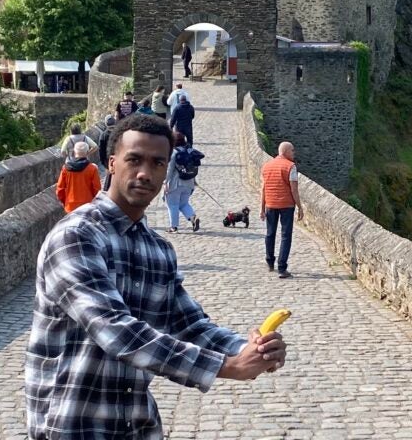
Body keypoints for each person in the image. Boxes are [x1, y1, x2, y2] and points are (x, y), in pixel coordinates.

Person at [26, 114, 287, 439]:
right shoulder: (77, 237)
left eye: (157, 163)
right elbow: (114, 330)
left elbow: (189, 325)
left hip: (136, 424)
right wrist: (227, 366)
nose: (144, 173)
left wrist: (251, 348)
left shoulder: (158, 249)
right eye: (134, 160)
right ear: (111, 163)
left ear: (166, 171)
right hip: (73, 425)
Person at [260, 140, 304, 279]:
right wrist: (300, 207)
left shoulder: (267, 166)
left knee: (270, 233)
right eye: (292, 150)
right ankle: (282, 267)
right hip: (286, 205)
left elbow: (263, 189)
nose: (294, 153)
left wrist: (262, 208)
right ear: (285, 152)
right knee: (286, 235)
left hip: (270, 204)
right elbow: (294, 189)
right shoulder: (290, 166)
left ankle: (270, 261)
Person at [164, 130, 204, 233]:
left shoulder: (174, 153)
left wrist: (165, 183)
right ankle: (192, 218)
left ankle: (174, 227)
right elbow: (193, 167)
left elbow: (170, 169)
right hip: (189, 183)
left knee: (172, 204)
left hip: (176, 183)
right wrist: (194, 181)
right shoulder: (190, 151)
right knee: (183, 203)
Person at [55, 141, 101, 214]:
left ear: (74, 151)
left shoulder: (65, 168)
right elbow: (97, 189)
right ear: (87, 152)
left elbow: (60, 189)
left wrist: (65, 202)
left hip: (70, 206)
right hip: (87, 206)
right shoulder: (92, 168)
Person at [97, 113, 117, 191]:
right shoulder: (120, 133)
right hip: (119, 157)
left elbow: (101, 150)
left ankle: (107, 192)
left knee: (109, 177)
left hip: (108, 159)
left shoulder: (103, 135)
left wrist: (103, 163)